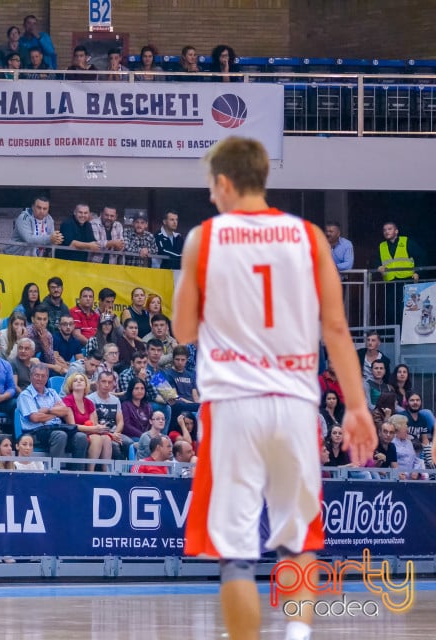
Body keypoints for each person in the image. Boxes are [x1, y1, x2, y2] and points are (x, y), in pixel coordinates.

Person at [172, 137, 376, 640]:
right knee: (298, 537)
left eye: (210, 187)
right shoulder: (308, 237)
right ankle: (298, 635)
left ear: (223, 182)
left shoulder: (205, 238)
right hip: (294, 404)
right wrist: (356, 406)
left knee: (236, 553)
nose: (211, 197)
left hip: (233, 406)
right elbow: (335, 329)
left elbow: (180, 330)